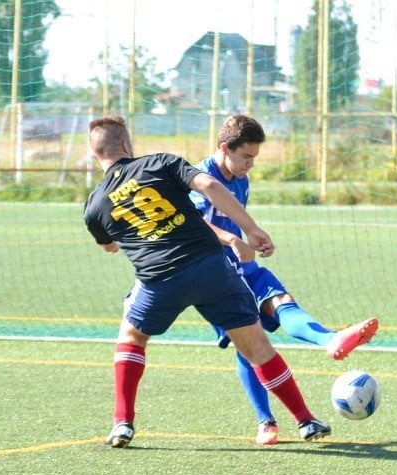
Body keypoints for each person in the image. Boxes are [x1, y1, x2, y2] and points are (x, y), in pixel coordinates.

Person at [83, 115, 332, 448]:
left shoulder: (94, 205)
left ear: (94, 153)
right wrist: (252, 228)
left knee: (131, 335)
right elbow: (210, 186)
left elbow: (109, 246)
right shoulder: (159, 162)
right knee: (257, 347)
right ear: (127, 144)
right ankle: (306, 420)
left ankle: (122, 424)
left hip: (159, 280)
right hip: (211, 267)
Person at [190, 114, 378, 446]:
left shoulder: (240, 178)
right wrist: (232, 240)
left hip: (244, 266)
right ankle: (271, 419)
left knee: (277, 307)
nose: (250, 164)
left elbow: (237, 220)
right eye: (246, 156)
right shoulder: (201, 179)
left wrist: (254, 237)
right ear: (224, 148)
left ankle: (328, 344)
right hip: (218, 274)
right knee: (249, 344)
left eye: (254, 158)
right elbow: (193, 224)